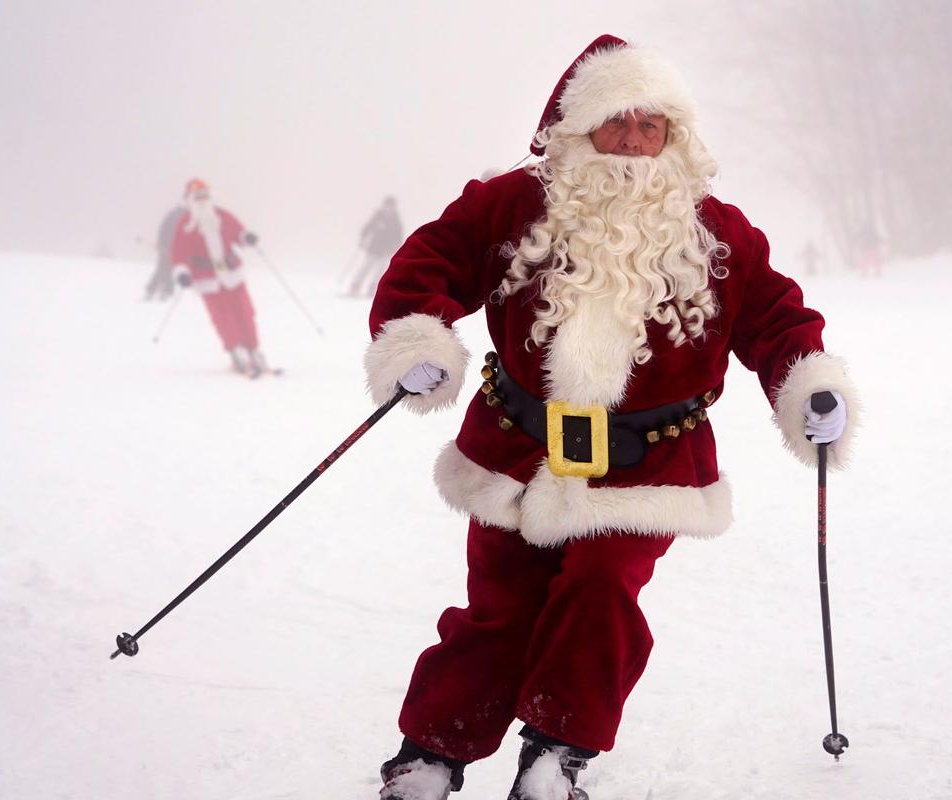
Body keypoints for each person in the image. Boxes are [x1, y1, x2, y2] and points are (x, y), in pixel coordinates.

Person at [363, 36, 860, 800]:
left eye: (650, 125)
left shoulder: (717, 228)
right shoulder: (514, 204)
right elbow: (432, 259)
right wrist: (416, 338)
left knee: (600, 592)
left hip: (648, 466)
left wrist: (809, 385)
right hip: (517, 450)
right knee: (501, 609)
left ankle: (555, 756)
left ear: (675, 136)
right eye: (615, 122)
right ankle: (430, 755)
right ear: (578, 128)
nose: (632, 140)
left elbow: (777, 317)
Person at [170, 178, 271, 377]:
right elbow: (178, 254)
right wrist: (182, 274)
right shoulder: (185, 225)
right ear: (190, 199)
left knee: (246, 312)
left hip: (232, 274)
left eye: (205, 195)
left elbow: (239, 232)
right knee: (223, 318)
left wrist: (247, 237)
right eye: (198, 196)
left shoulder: (222, 216)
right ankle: (236, 351)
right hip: (207, 280)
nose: (202, 199)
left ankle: (254, 349)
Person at [347, 195, 404, 297]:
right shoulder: (378, 216)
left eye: (391, 207)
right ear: (384, 206)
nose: (389, 209)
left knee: (380, 270)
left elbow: (398, 235)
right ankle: (355, 286)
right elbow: (366, 228)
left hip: (387, 249)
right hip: (374, 248)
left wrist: (397, 246)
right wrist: (363, 239)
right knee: (365, 267)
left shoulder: (396, 220)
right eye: (387, 206)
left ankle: (372, 288)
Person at [143, 202, 186, 301]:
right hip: (168, 247)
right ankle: (163, 291)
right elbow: (165, 231)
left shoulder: (172, 215)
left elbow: (162, 230)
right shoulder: (179, 217)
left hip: (169, 247)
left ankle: (153, 290)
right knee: (166, 268)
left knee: (163, 268)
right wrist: (163, 245)